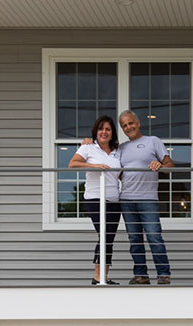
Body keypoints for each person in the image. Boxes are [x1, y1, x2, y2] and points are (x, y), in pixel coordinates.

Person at [118, 110, 174, 285]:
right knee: (134, 239)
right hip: (126, 199)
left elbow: (169, 165)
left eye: (130, 123)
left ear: (138, 122)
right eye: (124, 125)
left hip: (148, 198)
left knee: (153, 236)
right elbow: (119, 173)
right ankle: (141, 275)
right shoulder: (121, 148)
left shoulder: (153, 141)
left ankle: (164, 274)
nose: (128, 127)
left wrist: (160, 164)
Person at [68, 115, 122, 285]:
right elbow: (73, 163)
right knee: (104, 234)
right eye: (101, 129)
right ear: (96, 131)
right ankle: (98, 276)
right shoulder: (88, 148)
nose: (104, 132)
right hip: (95, 198)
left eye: (108, 129)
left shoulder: (118, 151)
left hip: (114, 199)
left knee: (109, 237)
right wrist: (95, 166)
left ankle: (103, 275)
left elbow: (121, 174)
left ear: (112, 132)